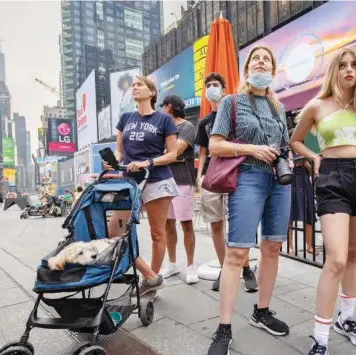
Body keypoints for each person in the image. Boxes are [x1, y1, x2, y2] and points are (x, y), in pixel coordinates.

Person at [291, 47, 356, 355]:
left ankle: (348, 317)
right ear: (333, 71)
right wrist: (314, 158)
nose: (348, 70)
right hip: (332, 176)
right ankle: (320, 340)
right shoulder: (316, 105)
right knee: (337, 259)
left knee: (355, 254)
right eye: (342, 65)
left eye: (353, 65)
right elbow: (295, 141)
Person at [206, 45, 292, 355]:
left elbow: (282, 144)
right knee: (237, 253)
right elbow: (215, 145)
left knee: (272, 248)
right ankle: (224, 328)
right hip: (247, 177)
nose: (261, 63)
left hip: (278, 182)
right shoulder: (231, 102)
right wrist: (252, 150)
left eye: (267, 59)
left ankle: (262, 312)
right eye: (256, 59)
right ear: (247, 70)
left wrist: (288, 158)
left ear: (273, 70)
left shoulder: (278, 107)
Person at [105, 75, 180, 297]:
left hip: (157, 179)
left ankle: (150, 284)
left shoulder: (164, 119)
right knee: (113, 233)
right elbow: (119, 150)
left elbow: (173, 154)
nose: (134, 88)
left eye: (140, 85)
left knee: (158, 233)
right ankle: (150, 276)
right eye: (133, 85)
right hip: (128, 181)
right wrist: (113, 160)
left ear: (152, 92)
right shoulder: (126, 117)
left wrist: (148, 162)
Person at [195, 72, 258, 292]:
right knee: (215, 224)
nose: (211, 88)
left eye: (216, 85)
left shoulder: (235, 112)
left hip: (236, 170)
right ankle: (225, 269)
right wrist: (199, 176)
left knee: (239, 223)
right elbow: (203, 152)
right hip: (212, 175)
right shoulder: (204, 121)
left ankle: (247, 268)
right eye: (208, 85)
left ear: (224, 90)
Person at [158, 95, 199, 284]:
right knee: (167, 223)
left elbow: (177, 150)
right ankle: (172, 264)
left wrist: (163, 155)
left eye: (163, 106)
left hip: (182, 179)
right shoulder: (162, 128)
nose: (161, 109)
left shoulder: (187, 127)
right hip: (164, 179)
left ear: (170, 107)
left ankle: (191, 266)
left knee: (186, 223)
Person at [287, 151, 317, 256]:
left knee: (308, 213)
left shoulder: (307, 152)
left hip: (304, 182)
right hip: (290, 181)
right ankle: (290, 246)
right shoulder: (286, 151)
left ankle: (309, 245)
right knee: (289, 215)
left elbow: (314, 171)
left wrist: (306, 164)